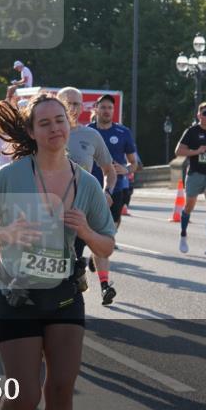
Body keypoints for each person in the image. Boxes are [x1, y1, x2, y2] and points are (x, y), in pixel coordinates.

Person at [0, 94, 115, 410]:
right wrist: (5, 232)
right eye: (44, 124)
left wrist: (85, 229)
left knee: (62, 388)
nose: (54, 129)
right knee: (24, 399)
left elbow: (107, 245)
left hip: (65, 295)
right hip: (18, 297)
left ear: (70, 124)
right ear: (32, 133)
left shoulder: (87, 183)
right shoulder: (11, 176)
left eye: (59, 121)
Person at [58, 88, 119, 305]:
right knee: (65, 264)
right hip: (54, 211)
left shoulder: (91, 135)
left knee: (98, 241)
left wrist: (106, 191)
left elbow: (109, 170)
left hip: (84, 206)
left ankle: (101, 283)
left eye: (77, 104)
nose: (73, 108)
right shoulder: (48, 133)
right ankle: (77, 272)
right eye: (68, 103)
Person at [88, 94, 139, 295]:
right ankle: (102, 277)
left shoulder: (123, 132)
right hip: (90, 188)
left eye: (110, 107)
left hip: (116, 188)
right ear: (96, 109)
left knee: (113, 224)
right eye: (103, 107)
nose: (107, 111)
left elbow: (133, 162)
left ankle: (97, 252)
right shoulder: (87, 132)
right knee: (98, 231)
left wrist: (126, 170)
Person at [175, 102, 206, 255]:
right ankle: (183, 234)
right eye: (205, 113)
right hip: (195, 173)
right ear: (199, 115)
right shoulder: (191, 131)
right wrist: (196, 151)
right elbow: (178, 151)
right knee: (189, 206)